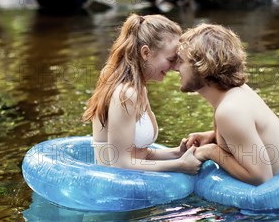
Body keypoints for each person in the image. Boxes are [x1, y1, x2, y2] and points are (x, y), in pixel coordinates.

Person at [174, 24, 279, 185]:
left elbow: (261, 177)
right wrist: (213, 137)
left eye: (181, 61)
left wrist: (211, 151)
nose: (175, 68)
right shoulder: (238, 92)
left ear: (203, 67)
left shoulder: (230, 110)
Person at [83, 14, 201, 175]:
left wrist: (177, 153)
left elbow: (143, 154)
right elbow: (120, 164)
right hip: (113, 192)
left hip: (131, 185)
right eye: (171, 59)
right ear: (145, 53)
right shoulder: (125, 94)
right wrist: (179, 165)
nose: (175, 67)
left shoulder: (139, 89)